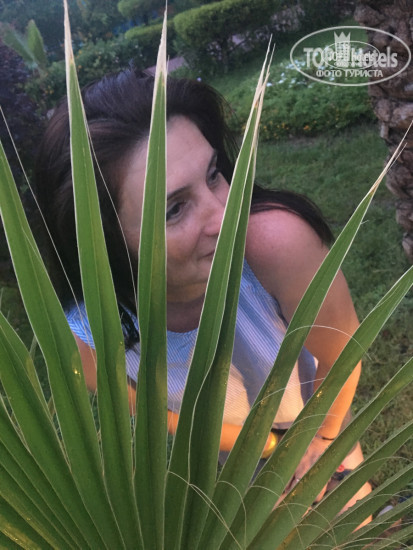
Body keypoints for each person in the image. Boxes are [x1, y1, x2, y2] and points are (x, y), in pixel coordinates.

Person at [34, 69, 371, 507]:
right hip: (230, 461)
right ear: (102, 243)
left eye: (213, 174)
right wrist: (261, 447)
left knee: (353, 521)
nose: (226, 214)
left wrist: (319, 441)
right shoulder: (88, 332)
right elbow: (148, 407)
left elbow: (341, 355)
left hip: (322, 420)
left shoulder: (274, 244)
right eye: (175, 209)